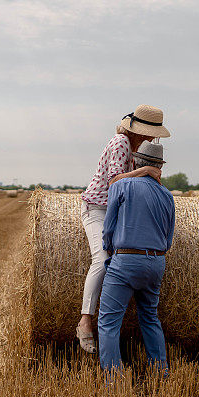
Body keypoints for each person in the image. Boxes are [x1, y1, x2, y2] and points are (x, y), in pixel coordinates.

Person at [77, 105, 171, 354]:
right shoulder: (120, 142)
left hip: (117, 210)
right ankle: (85, 319)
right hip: (98, 209)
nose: (152, 138)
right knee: (103, 258)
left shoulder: (136, 148)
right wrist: (146, 171)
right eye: (150, 133)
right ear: (140, 131)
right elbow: (115, 182)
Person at [97, 140, 175, 374]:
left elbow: (109, 227)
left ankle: (113, 379)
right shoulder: (167, 195)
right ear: (160, 167)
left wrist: (109, 249)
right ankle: (160, 371)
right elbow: (168, 238)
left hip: (127, 260)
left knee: (109, 322)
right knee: (150, 318)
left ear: (135, 161)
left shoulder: (123, 186)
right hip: (156, 262)